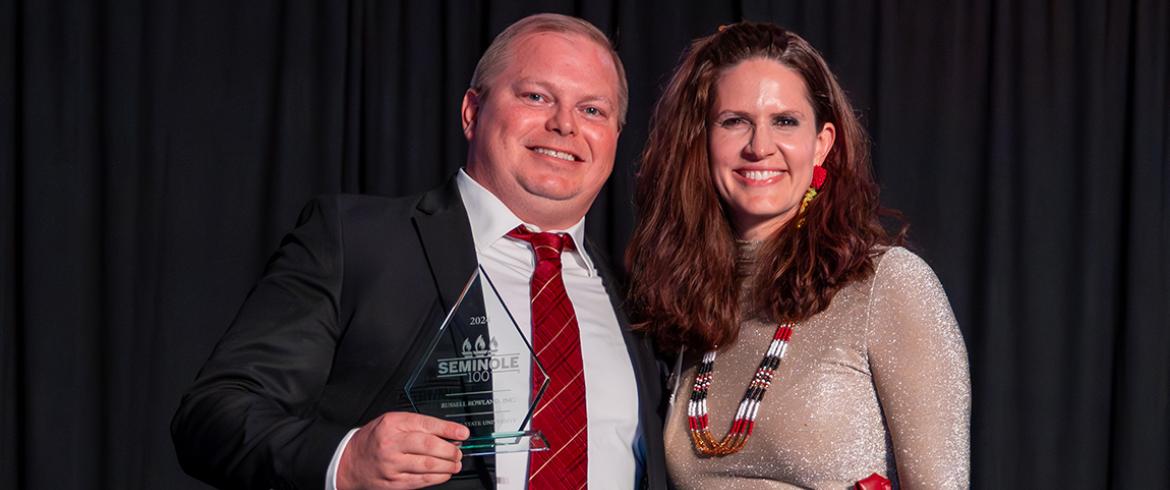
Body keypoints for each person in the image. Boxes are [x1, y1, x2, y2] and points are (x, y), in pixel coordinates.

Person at [172, 13, 667, 490]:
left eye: (592, 110)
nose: (565, 125)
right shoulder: (357, 241)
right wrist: (343, 459)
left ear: (615, 137)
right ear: (472, 112)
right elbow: (213, 415)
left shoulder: (639, 297)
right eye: (537, 96)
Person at [625, 22, 970, 488]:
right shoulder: (688, 302)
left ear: (822, 143)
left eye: (784, 121)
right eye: (734, 121)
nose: (759, 146)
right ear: (700, 141)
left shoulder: (888, 285)